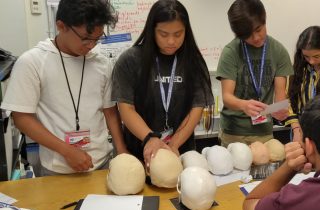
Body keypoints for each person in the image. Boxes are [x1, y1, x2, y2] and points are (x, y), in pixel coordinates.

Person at [0, 0, 127, 176]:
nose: (91, 45)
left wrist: (122, 152)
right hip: (56, 169)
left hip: (101, 164)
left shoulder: (102, 64)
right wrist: (67, 150)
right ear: (61, 26)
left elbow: (110, 112)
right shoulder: (33, 62)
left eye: (97, 39)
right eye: (85, 38)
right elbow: (21, 117)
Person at [112, 0, 213, 166]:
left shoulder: (193, 62)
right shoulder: (130, 60)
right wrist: (150, 138)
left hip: (180, 151)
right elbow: (126, 109)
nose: (171, 41)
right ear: (152, 31)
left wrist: (173, 144)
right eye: (164, 34)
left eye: (178, 34)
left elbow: (196, 108)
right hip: (138, 152)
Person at [217, 0, 293, 147]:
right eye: (248, 35)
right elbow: (227, 97)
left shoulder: (278, 51)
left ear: (265, 19)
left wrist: (279, 110)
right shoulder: (231, 52)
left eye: (259, 29)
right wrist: (243, 105)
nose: (256, 38)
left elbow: (280, 98)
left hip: (264, 132)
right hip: (234, 132)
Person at [285, 26, 320, 143]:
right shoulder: (298, 69)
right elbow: (287, 100)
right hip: (300, 129)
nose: (311, 61)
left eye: (316, 56)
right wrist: (296, 129)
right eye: (306, 56)